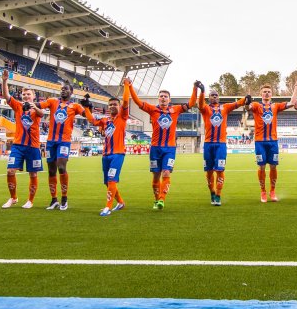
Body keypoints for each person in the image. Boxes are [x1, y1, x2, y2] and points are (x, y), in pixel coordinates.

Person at [129, 80, 198, 209]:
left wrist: (195, 89)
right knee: (156, 175)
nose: (163, 98)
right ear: (158, 99)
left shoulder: (176, 110)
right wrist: (130, 86)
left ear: (169, 99)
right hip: (155, 148)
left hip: (169, 148)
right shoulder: (153, 109)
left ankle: (161, 199)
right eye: (161, 96)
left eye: (165, 96)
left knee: (166, 172)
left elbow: (191, 103)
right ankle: (156, 199)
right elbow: (137, 102)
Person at [38, 82, 94, 210]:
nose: (63, 90)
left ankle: (64, 198)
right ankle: (54, 200)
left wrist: (88, 106)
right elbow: (39, 105)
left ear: (71, 92)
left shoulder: (75, 106)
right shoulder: (52, 101)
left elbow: (88, 116)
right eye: (62, 89)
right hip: (51, 142)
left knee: (61, 167)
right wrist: (28, 104)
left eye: (66, 89)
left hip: (64, 141)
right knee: (51, 170)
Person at [197, 85, 250, 206]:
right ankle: (212, 192)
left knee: (220, 170)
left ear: (218, 97)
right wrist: (202, 91)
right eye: (212, 95)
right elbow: (199, 104)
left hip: (221, 144)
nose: (214, 97)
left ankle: (218, 195)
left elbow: (237, 104)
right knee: (209, 172)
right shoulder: (205, 108)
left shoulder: (224, 107)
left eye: (216, 95)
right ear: (209, 98)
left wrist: (246, 99)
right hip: (208, 144)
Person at [0, 69, 44, 209]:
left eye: (28, 94)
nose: (25, 96)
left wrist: (34, 107)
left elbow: (42, 114)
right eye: (24, 94)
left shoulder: (37, 108)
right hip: (18, 145)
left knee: (33, 173)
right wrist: (5, 81)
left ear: (33, 96)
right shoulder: (18, 106)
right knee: (10, 171)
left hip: (33, 146)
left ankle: (30, 200)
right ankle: (13, 198)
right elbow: (6, 96)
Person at [86, 79, 131, 216]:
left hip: (118, 154)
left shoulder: (122, 116)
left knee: (111, 179)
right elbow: (92, 121)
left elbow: (126, 102)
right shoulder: (105, 120)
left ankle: (108, 207)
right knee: (107, 181)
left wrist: (126, 86)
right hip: (106, 154)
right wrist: (87, 108)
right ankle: (121, 202)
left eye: (115, 104)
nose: (112, 106)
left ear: (119, 106)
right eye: (110, 105)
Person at [249, 84, 292, 202]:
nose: (267, 93)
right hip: (260, 142)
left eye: (269, 91)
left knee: (273, 166)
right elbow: (249, 107)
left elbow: (292, 103)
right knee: (261, 166)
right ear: (260, 94)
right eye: (264, 92)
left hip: (273, 142)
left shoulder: (275, 106)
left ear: (272, 94)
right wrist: (247, 102)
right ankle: (263, 192)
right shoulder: (257, 105)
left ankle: (272, 191)